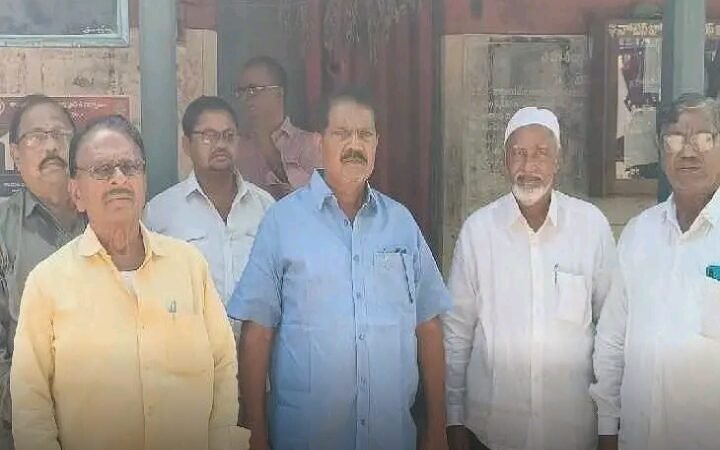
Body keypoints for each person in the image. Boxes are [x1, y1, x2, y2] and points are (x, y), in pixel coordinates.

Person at [228, 86, 451, 450]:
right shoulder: (282, 223)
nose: (354, 145)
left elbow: (428, 325)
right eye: (342, 133)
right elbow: (258, 333)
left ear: (377, 143)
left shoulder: (401, 224)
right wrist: (255, 432)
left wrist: (437, 426)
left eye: (365, 134)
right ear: (319, 142)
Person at [10, 115, 242, 450]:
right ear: (76, 192)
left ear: (143, 181)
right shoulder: (47, 283)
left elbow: (223, 366)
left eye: (130, 167)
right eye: (102, 170)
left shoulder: (189, 266)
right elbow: (30, 405)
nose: (119, 178)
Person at [444, 107, 621, 450]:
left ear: (558, 160)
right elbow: (456, 333)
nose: (529, 166)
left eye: (541, 153)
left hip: (572, 434)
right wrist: (453, 419)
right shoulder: (479, 232)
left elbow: (611, 332)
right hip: (491, 434)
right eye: (519, 154)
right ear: (505, 161)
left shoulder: (591, 227)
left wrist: (608, 426)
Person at [591, 93, 720, 450]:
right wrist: (607, 428)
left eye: (704, 138)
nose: (688, 152)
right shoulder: (638, 233)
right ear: (661, 151)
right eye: (674, 138)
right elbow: (612, 339)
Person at [0, 95, 85, 449]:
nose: (51, 146)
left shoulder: (108, 218)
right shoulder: (3, 228)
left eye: (60, 134)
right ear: (15, 154)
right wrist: (33, 410)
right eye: (36, 136)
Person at [145, 95, 274, 307]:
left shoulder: (265, 207)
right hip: (190, 328)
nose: (221, 144)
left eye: (229, 136)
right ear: (187, 145)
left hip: (255, 328)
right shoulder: (160, 213)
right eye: (208, 136)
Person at [235, 56, 321, 199]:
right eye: (241, 92)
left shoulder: (311, 145)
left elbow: (314, 203)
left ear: (278, 93)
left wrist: (266, 144)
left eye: (253, 90)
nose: (245, 99)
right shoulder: (236, 146)